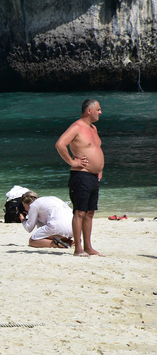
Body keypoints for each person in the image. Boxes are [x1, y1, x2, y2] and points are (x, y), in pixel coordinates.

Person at [54, 99, 105, 257]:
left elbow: (94, 149)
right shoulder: (77, 126)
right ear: (89, 111)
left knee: (90, 212)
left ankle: (89, 247)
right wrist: (72, 161)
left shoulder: (93, 128)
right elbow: (60, 144)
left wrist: (99, 168)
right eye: (98, 109)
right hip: (81, 175)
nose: (100, 112)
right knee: (80, 212)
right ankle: (78, 249)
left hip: (93, 176)